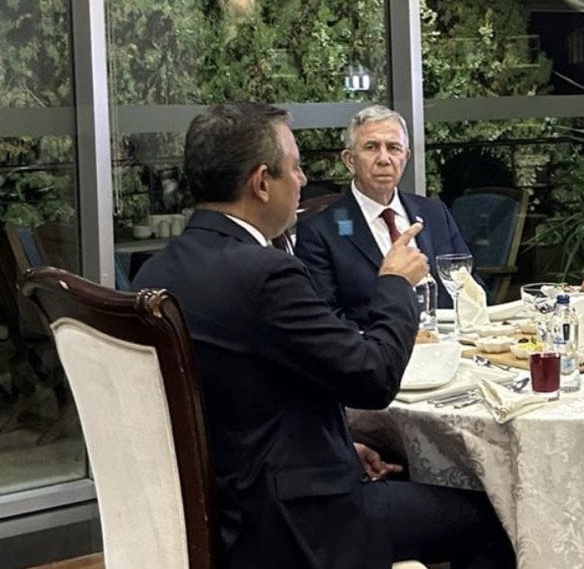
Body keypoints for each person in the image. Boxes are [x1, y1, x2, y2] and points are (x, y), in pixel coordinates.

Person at [133, 103, 513, 569]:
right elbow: (373, 378)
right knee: (495, 520)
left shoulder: (155, 273)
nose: (303, 180)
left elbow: (247, 391)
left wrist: (340, 447)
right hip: (299, 520)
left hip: (236, 501)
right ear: (262, 182)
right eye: (296, 167)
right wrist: (395, 283)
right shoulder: (266, 274)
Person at [296, 105, 482, 327]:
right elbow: (326, 321)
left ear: (406, 157)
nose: (384, 159)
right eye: (371, 147)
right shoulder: (319, 231)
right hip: (373, 345)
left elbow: (471, 289)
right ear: (350, 160)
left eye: (393, 148)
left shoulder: (434, 213)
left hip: (448, 341)